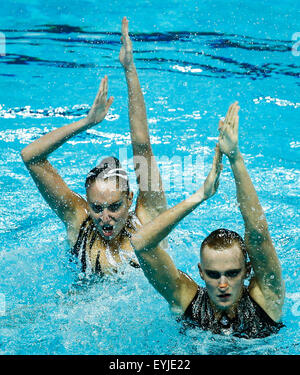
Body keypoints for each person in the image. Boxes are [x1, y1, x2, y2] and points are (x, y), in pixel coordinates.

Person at [20, 17, 167, 276]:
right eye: (97, 208)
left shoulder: (148, 219)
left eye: (114, 206)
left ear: (130, 198)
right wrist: (86, 123)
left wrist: (130, 69)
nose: (105, 218)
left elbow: (142, 145)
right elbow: (31, 157)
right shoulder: (78, 220)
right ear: (87, 203)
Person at [131, 102, 285, 338]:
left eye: (232, 273)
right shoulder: (187, 300)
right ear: (201, 272)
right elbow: (141, 244)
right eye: (213, 274)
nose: (222, 284)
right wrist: (200, 195)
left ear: (247, 271)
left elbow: (258, 234)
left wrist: (235, 158)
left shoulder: (266, 299)